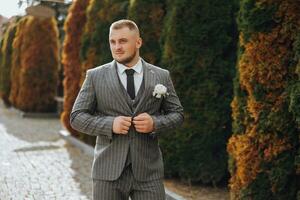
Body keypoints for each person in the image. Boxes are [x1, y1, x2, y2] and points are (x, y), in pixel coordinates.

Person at [70, 19, 184, 200]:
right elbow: (76, 117)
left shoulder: (161, 75)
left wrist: (155, 123)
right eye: (112, 42)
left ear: (138, 42)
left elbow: (177, 114)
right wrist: (109, 124)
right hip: (108, 171)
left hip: (148, 172)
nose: (117, 47)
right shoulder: (95, 76)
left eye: (123, 41)